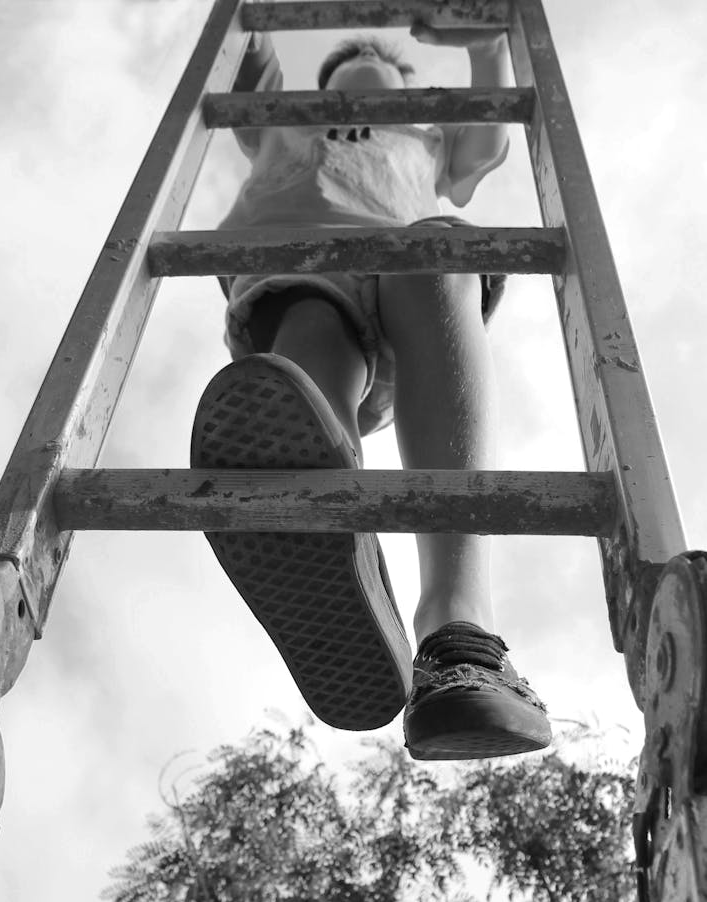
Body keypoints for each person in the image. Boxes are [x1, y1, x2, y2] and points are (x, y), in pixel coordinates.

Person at [191, 20, 551, 759]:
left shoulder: (430, 138)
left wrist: (484, 39)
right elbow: (245, 48)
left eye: (382, 80)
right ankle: (330, 523)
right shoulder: (282, 121)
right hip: (299, 272)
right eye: (348, 73)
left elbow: (485, 130)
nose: (363, 82)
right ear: (322, 87)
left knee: (440, 248)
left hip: (406, 290)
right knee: (307, 353)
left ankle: (460, 633)